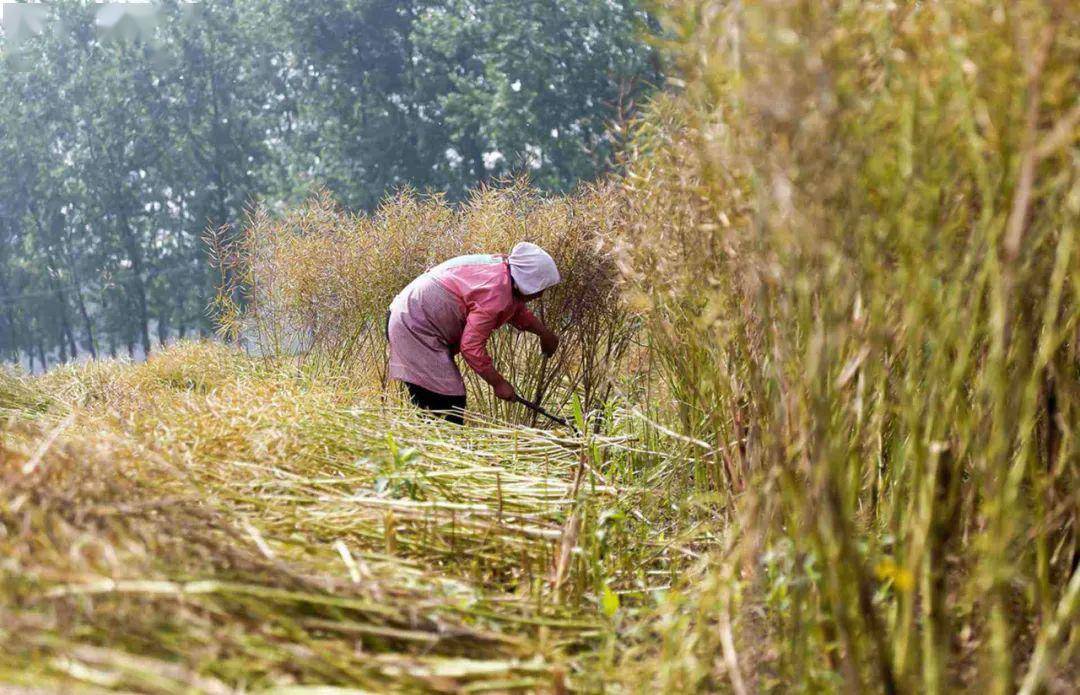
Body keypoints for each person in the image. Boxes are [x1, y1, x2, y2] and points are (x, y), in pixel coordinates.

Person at [387, 242, 561, 424]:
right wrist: (498, 383)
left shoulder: (503, 273)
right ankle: (434, 447)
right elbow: (471, 347)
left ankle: (428, 443)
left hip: (409, 317)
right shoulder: (495, 292)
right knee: (447, 403)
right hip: (414, 328)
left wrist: (544, 333)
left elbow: (516, 310)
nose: (540, 295)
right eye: (540, 289)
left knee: (441, 404)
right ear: (527, 282)